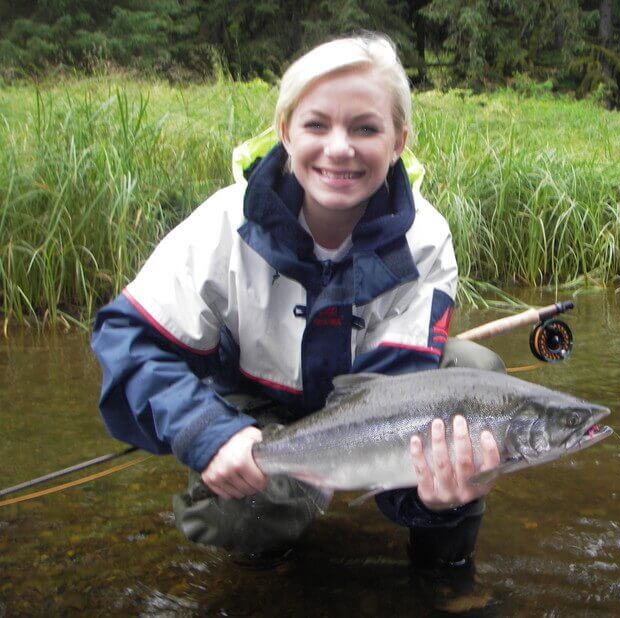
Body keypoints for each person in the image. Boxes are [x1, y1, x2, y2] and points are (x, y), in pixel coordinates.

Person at [90, 33, 505, 569]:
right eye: (316, 125)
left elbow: (398, 394)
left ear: (399, 140)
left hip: (375, 405)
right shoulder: (225, 222)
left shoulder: (425, 238)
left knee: (475, 375)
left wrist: (431, 499)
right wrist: (207, 433)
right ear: (284, 133)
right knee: (241, 514)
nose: (339, 148)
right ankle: (269, 551)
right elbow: (127, 337)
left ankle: (444, 578)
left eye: (365, 128)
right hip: (255, 407)